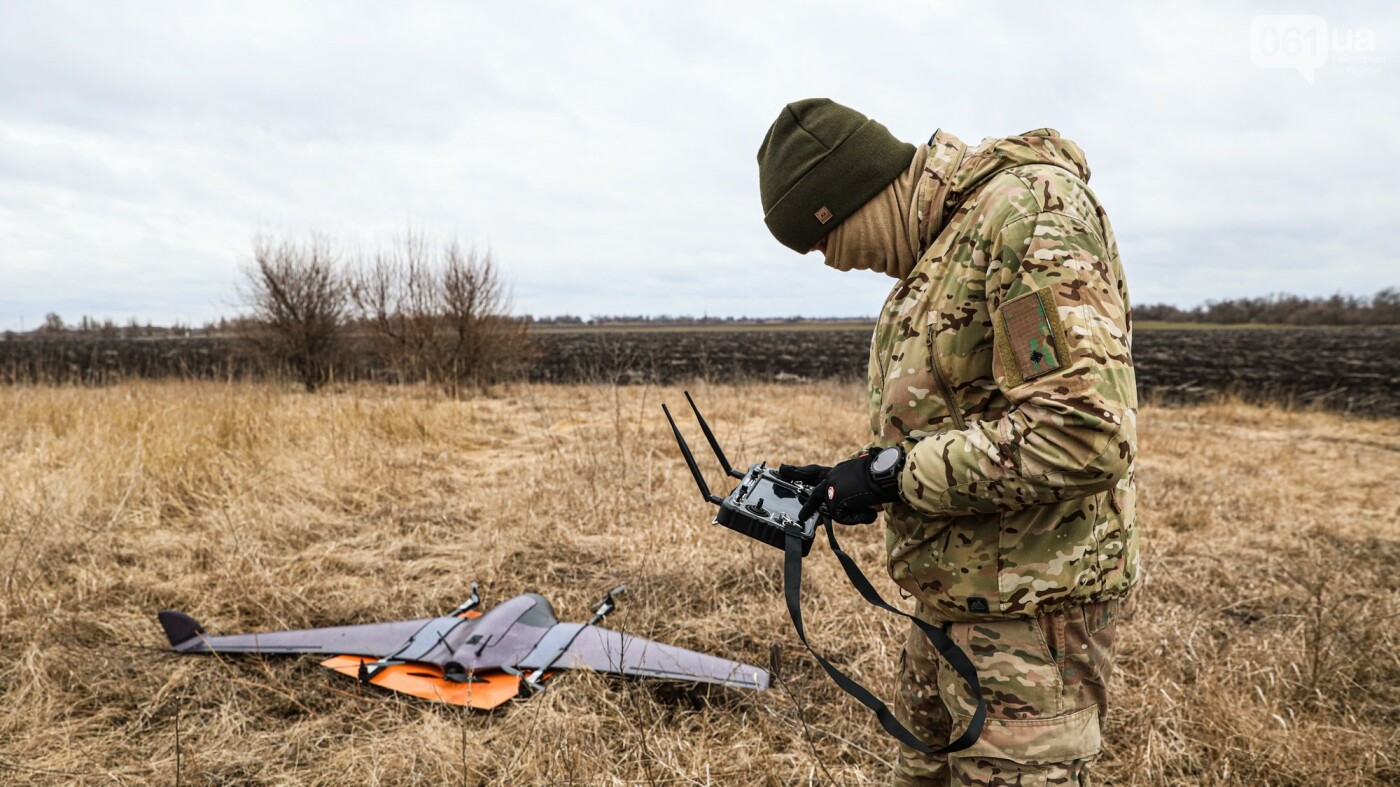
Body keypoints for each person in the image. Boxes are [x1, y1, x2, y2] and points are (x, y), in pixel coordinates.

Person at [757, 98, 1138, 785]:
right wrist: (858, 479)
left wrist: (894, 474)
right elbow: (960, 418)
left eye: (818, 239)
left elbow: (1082, 432)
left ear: (849, 194)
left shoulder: (1024, 219)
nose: (828, 261)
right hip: (949, 611)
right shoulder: (938, 255)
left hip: (1027, 626)